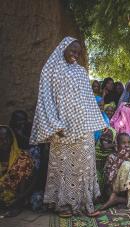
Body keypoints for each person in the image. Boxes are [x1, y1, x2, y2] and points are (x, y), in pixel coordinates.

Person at [30, 37, 106, 217]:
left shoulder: (80, 71)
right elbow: (45, 100)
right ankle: (63, 205)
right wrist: (55, 125)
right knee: (63, 167)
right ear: (63, 48)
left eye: (78, 52)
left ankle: (87, 204)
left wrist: (96, 122)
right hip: (62, 128)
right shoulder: (51, 70)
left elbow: (88, 100)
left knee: (86, 165)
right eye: (73, 50)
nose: (75, 55)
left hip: (83, 128)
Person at [0, 125, 34, 217]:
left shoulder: (22, 158)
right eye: (1, 139)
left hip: (16, 196)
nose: (5, 142)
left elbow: (26, 184)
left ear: (12, 139)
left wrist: (19, 200)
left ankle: (17, 205)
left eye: (7, 138)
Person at [95, 128, 116, 195]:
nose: (105, 139)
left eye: (109, 137)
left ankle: (103, 195)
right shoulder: (97, 142)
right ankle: (98, 196)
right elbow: (105, 146)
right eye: (103, 136)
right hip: (96, 164)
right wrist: (114, 145)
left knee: (104, 180)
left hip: (105, 166)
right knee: (98, 180)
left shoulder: (113, 146)